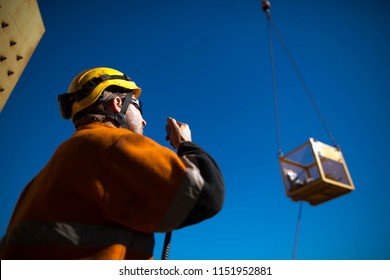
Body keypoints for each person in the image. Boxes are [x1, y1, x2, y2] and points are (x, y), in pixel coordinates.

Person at [0, 67, 224, 260]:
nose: (144, 120)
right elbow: (206, 193)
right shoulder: (111, 146)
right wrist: (185, 143)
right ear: (118, 103)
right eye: (138, 106)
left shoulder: (42, 179)